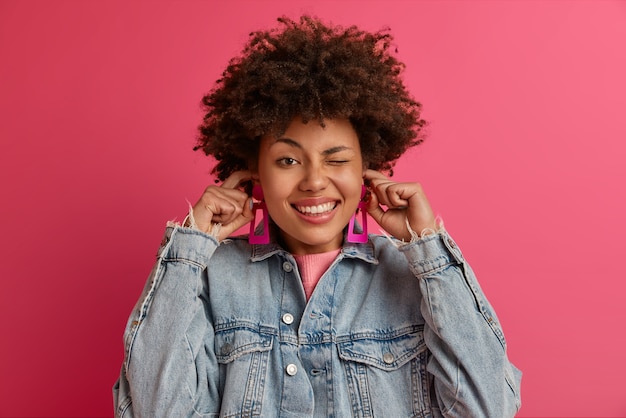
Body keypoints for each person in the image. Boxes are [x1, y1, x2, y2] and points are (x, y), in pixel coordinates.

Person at [113, 15, 522, 417]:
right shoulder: (211, 278)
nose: (314, 181)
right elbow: (156, 409)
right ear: (255, 171)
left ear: (367, 168)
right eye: (288, 160)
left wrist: (428, 247)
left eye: (336, 159)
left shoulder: (415, 278)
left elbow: (490, 407)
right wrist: (189, 247)